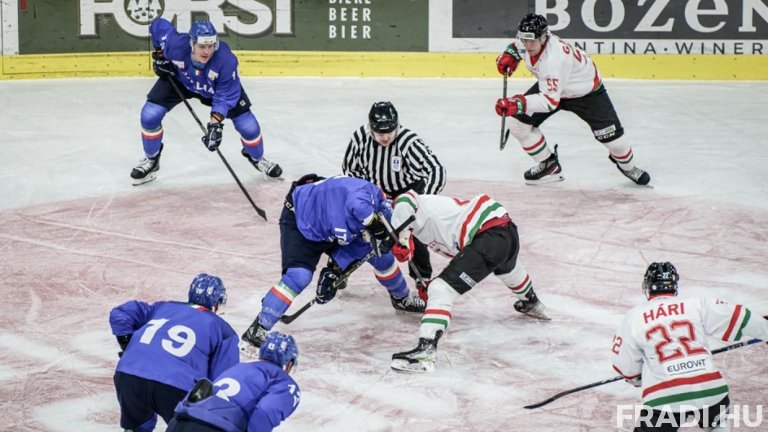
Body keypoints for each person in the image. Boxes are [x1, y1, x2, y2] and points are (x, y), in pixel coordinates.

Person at [240, 174, 426, 350]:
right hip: (301, 220)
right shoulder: (363, 197)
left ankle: (402, 298)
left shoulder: (378, 211)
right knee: (299, 277)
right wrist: (371, 224)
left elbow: (358, 246)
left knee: (382, 257)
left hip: (333, 224)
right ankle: (259, 327)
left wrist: (333, 272)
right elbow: (356, 204)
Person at [387, 190, 550, 373]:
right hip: (505, 232)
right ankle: (531, 301)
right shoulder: (420, 226)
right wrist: (422, 283)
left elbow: (405, 199)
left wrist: (402, 238)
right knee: (507, 268)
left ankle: (425, 351)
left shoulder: (407, 206)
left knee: (441, 289)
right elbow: (424, 254)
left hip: (489, 233)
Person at [494, 13, 650, 186]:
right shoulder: (528, 42)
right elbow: (517, 47)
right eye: (524, 39)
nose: (527, 45)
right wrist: (510, 53)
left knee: (616, 144)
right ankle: (549, 165)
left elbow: (548, 102)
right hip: (553, 87)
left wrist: (517, 104)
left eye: (532, 41)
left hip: (585, 93)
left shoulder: (555, 60)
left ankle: (628, 167)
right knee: (517, 124)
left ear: (544, 38)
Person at [611, 262, 768, 431]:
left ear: (648, 286)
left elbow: (626, 366)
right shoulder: (696, 303)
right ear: (674, 284)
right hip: (710, 389)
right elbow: (739, 317)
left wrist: (637, 379)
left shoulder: (634, 318)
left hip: (665, 395)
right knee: (718, 426)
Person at [130, 18, 282, 186]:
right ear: (192, 44)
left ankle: (257, 158)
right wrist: (159, 55)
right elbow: (158, 25)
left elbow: (224, 97)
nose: (207, 51)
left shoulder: (226, 60)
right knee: (149, 115)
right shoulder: (176, 45)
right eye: (202, 46)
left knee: (248, 126)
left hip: (215, 90)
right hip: (182, 81)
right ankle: (151, 160)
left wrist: (215, 125)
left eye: (211, 46)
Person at [109, 273, 240, 432]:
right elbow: (223, 379)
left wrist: (128, 345)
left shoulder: (162, 307)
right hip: (175, 384)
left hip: (128, 374)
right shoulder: (223, 330)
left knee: (138, 427)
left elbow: (120, 313)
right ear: (218, 302)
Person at [342, 101, 447, 292]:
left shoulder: (408, 142)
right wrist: (365, 198)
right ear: (370, 128)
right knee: (355, 228)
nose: (385, 137)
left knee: (415, 232)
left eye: (390, 132)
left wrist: (421, 202)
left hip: (405, 192)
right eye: (380, 133)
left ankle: (422, 278)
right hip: (375, 192)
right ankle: (342, 269)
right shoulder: (359, 139)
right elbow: (350, 172)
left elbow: (436, 170)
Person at [166, 331, 301, 432]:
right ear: (289, 363)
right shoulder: (284, 382)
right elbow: (266, 411)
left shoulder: (238, 368)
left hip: (179, 422)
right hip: (216, 426)